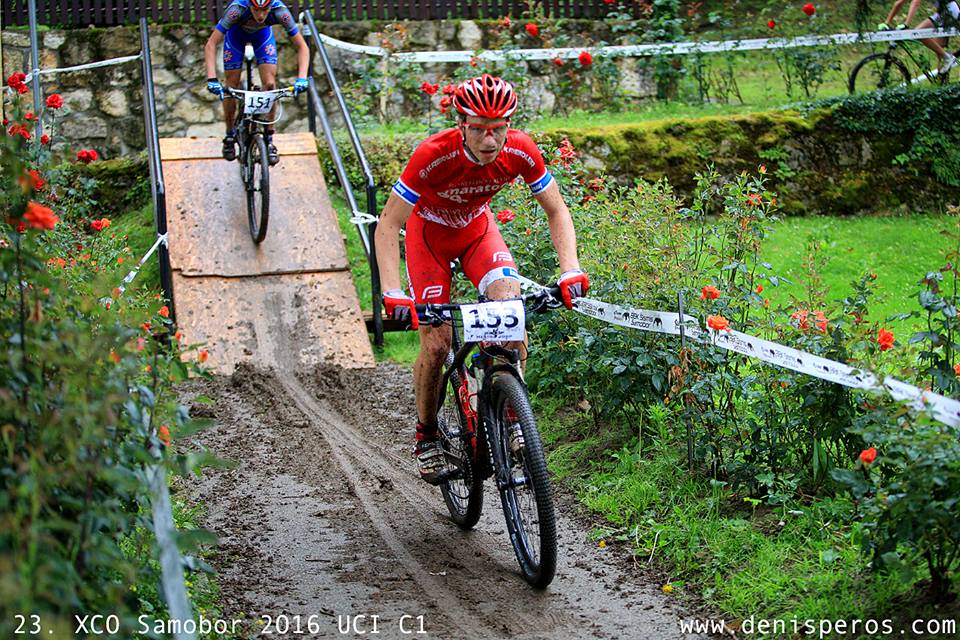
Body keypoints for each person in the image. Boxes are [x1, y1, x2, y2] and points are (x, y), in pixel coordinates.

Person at [374, 74, 590, 483]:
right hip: (430, 237)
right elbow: (388, 225)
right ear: (461, 125)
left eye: (499, 129)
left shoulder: (521, 150)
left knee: (510, 312)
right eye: (479, 130)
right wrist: (392, 291)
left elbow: (557, 209)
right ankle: (427, 435)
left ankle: (511, 418)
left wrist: (570, 269)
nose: (490, 141)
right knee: (436, 344)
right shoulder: (432, 155)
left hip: (477, 231)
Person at [203, 0, 310, 165]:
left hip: (262, 38)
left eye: (265, 10)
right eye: (255, 9)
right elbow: (211, 44)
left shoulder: (280, 11)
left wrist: (302, 78)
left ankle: (269, 138)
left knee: (270, 86)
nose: (260, 16)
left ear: (271, 7)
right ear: (249, 6)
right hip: (235, 38)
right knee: (231, 86)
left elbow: (302, 47)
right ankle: (230, 134)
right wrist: (212, 79)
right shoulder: (237, 9)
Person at [884, 0, 958, 73]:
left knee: (918, 32)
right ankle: (942, 81)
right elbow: (899, 2)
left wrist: (906, 24)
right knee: (939, 53)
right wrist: (886, 23)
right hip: (944, 12)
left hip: (949, 11)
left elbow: (916, 3)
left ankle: (948, 57)